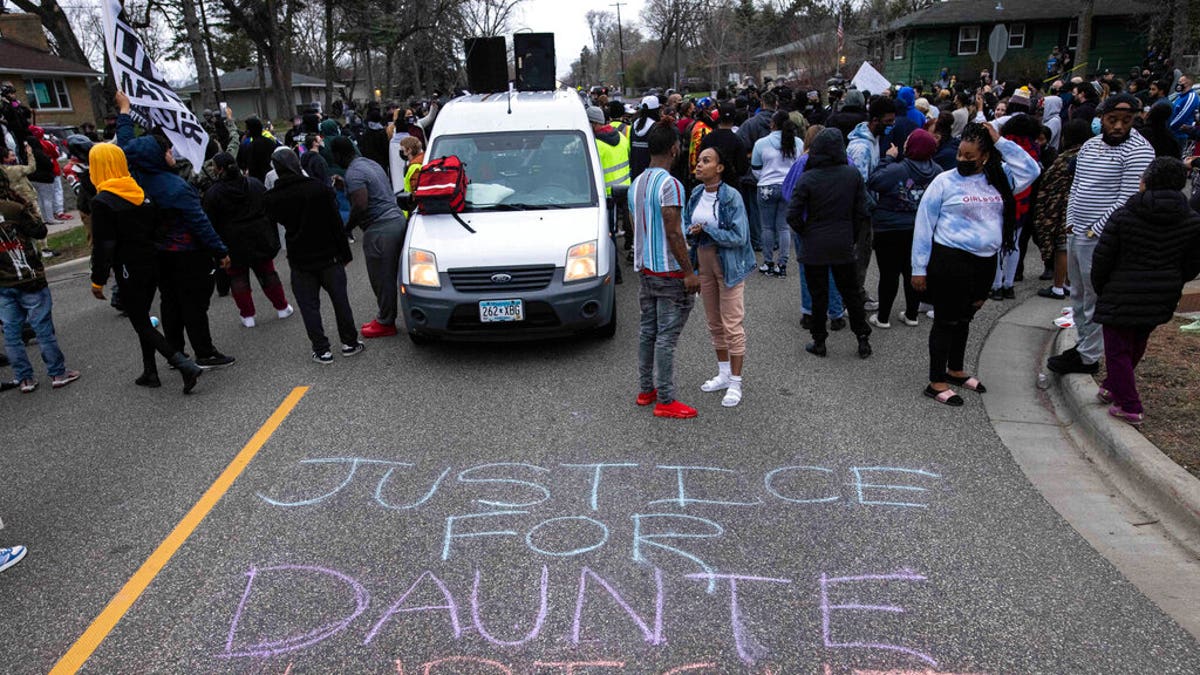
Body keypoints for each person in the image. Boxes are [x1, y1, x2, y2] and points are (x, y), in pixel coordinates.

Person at [912, 123, 1042, 406]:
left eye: (970, 157)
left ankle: (955, 369)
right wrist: (918, 268)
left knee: (966, 317)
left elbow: (1031, 170)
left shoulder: (1000, 178)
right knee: (946, 320)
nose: (962, 160)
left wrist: (1001, 141)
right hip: (950, 261)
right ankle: (936, 382)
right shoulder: (944, 182)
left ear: (985, 156)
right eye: (960, 154)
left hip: (984, 263)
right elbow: (923, 225)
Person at [115, 90, 236, 369]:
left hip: (157, 254)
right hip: (187, 253)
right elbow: (200, 223)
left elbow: (125, 147)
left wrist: (124, 112)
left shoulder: (134, 178)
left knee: (170, 303)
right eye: (166, 150)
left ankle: (176, 352)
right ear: (158, 156)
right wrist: (220, 251)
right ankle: (204, 352)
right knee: (194, 306)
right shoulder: (176, 188)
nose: (170, 151)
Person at [1047, 94, 1155, 376]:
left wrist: (1098, 226)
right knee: (1079, 295)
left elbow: (1128, 197)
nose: (1118, 126)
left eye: (1126, 121)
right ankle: (1083, 346)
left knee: (1095, 296)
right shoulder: (1090, 146)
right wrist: (1070, 221)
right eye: (1112, 120)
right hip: (1077, 231)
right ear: (1102, 119)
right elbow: (1078, 185)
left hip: (1102, 237)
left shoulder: (1140, 151)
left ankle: (1089, 356)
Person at [1091, 157, 1200, 425]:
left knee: (1117, 348)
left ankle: (1130, 404)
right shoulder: (1192, 220)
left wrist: (1102, 287)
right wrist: (1174, 279)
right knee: (1137, 342)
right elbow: (1193, 263)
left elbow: (1103, 258)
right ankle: (1112, 386)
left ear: (1147, 181)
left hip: (1121, 290)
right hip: (1163, 293)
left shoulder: (1125, 214)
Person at [88, 143, 203, 392]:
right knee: (142, 315)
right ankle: (150, 371)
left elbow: (104, 244)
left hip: (129, 266)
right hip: (152, 260)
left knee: (140, 321)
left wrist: (98, 279)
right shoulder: (138, 191)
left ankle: (183, 365)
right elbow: (158, 225)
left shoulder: (103, 201)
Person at [264, 147, 363, 363]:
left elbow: (272, 225)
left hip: (300, 258)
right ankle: (349, 342)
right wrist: (345, 253)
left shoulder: (273, 197)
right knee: (340, 300)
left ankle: (321, 349)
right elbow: (336, 224)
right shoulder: (319, 189)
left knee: (309, 306)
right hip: (329, 255)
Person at [629, 121, 700, 419]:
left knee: (648, 331)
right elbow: (672, 232)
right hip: (670, 273)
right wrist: (689, 272)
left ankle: (647, 390)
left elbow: (639, 229)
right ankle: (666, 399)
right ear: (674, 148)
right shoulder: (670, 184)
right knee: (667, 337)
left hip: (646, 269)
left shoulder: (637, 184)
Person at [787, 128, 873, 358]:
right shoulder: (851, 175)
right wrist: (851, 235)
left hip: (814, 242)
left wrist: (806, 232)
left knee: (818, 294)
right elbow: (862, 210)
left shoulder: (808, 177)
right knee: (851, 293)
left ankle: (819, 341)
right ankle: (862, 338)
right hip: (842, 240)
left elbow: (792, 214)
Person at [687, 147, 756, 408]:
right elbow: (686, 225)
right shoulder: (695, 194)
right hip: (703, 264)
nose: (699, 165)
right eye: (699, 161)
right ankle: (724, 374)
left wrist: (709, 230)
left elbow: (739, 236)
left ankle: (736, 382)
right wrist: (692, 231)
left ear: (720, 168)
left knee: (732, 324)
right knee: (714, 323)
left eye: (706, 161)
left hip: (729, 266)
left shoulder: (731, 197)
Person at [0, 170, 80, 392]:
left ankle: (24, 378)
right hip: (29, 277)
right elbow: (39, 230)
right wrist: (25, 204)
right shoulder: (14, 208)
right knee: (42, 328)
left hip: (3, 283)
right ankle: (57, 373)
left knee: (12, 333)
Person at [202, 152, 293, 327]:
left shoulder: (213, 193)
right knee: (268, 272)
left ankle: (248, 315)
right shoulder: (254, 184)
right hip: (259, 236)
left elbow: (209, 221)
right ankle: (282, 307)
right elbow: (268, 206)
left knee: (237, 278)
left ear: (219, 169)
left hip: (231, 241)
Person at [329, 135, 407, 338]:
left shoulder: (354, 173)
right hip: (397, 220)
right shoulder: (369, 164)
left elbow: (361, 204)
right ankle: (389, 317)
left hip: (380, 228)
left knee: (381, 278)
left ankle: (386, 322)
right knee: (395, 274)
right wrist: (345, 185)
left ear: (338, 154)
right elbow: (372, 191)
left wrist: (347, 227)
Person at [867, 129, 940, 329]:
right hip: (920, 229)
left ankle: (883, 318)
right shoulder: (938, 172)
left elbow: (874, 181)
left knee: (888, 274)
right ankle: (911, 314)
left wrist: (887, 159)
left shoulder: (898, 169)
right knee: (913, 271)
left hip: (889, 228)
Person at [1035, 119, 1093, 300]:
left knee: (1062, 246)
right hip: (1086, 207)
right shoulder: (1093, 154)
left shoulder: (1065, 158)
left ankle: (1058, 286)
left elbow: (1049, 183)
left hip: (1064, 207)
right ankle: (1068, 283)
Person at [751, 110, 802, 277]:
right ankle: (783, 264)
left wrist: (764, 178)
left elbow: (755, 167)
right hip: (788, 187)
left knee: (767, 227)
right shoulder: (797, 143)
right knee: (783, 227)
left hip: (766, 187)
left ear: (772, 124)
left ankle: (768, 262)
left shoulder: (761, 143)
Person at [629, 95, 662, 181]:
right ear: (656, 110)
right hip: (651, 175)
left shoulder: (634, 125)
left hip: (635, 173)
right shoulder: (655, 127)